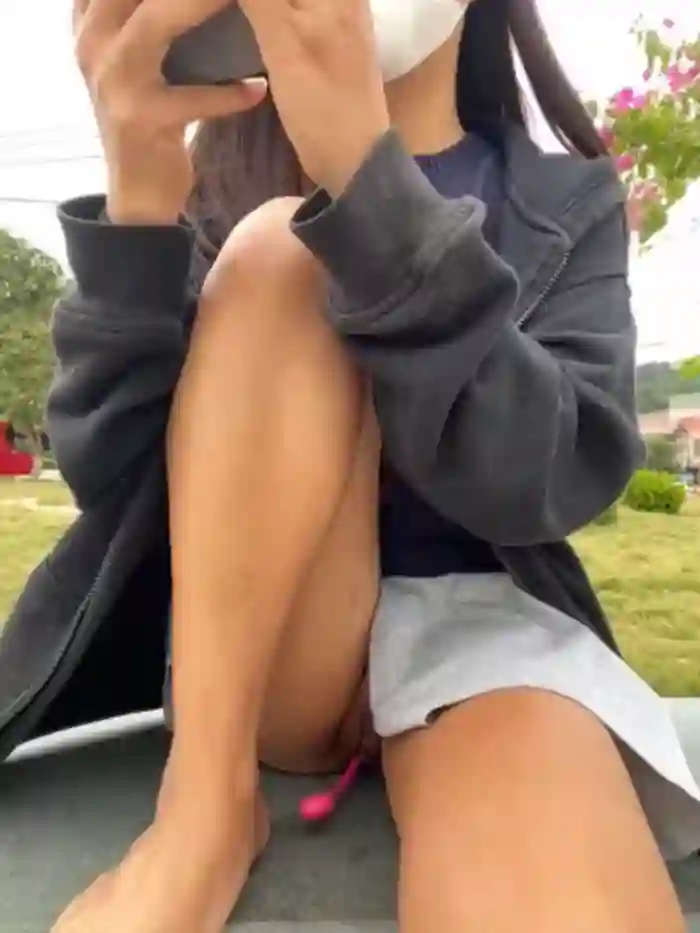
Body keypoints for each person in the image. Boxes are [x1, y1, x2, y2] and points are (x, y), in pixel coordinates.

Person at [1, 0, 699, 930]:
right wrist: (136, 209)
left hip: (482, 637)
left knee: (550, 863)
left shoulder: (563, 200)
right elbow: (113, 481)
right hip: (269, 645)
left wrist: (373, 193)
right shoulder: (214, 188)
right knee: (281, 252)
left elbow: (555, 480)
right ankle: (203, 810)